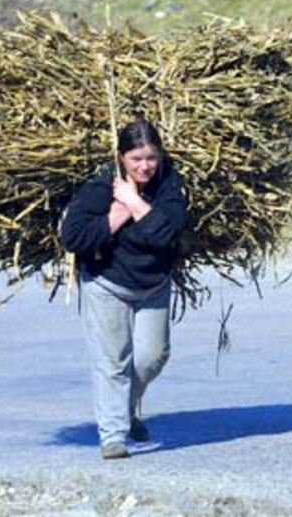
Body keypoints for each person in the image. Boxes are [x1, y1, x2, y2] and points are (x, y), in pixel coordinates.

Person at [61, 119, 187, 460]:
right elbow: (72, 237)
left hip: (153, 285)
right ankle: (113, 436)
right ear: (121, 158)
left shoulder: (169, 186)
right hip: (107, 284)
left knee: (152, 357)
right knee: (113, 361)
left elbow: (170, 235)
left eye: (151, 158)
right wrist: (112, 218)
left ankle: (126, 408)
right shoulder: (101, 188)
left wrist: (134, 203)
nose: (145, 166)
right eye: (136, 159)